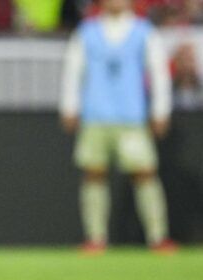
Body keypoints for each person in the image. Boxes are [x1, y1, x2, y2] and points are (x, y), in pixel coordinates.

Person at [60, 0, 176, 254]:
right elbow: (73, 71)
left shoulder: (144, 31)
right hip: (95, 115)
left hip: (131, 117)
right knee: (94, 174)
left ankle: (157, 237)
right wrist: (70, 106)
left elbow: (159, 73)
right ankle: (95, 238)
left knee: (144, 173)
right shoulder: (86, 32)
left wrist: (160, 110)